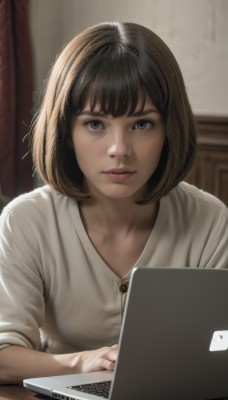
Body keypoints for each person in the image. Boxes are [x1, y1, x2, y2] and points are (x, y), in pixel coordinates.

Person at [0, 21, 227, 384]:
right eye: (94, 124)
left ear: (169, 130)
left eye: (142, 125)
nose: (119, 149)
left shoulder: (210, 220)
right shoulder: (26, 221)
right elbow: (3, 357)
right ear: (66, 132)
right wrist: (83, 363)